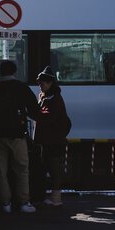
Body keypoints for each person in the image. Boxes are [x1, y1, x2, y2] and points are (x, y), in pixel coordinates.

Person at [0, 59, 40, 213]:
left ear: (0, 72)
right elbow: (35, 111)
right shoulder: (21, 88)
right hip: (17, 135)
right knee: (21, 168)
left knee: (0, 171)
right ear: (14, 72)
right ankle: (23, 202)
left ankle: (5, 203)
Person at [33, 66, 71, 207]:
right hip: (48, 139)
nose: (40, 86)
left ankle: (56, 199)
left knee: (54, 168)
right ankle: (52, 197)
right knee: (49, 167)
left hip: (53, 140)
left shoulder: (54, 99)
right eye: (39, 83)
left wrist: (34, 113)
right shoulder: (46, 96)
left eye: (42, 83)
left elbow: (48, 118)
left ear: (50, 83)